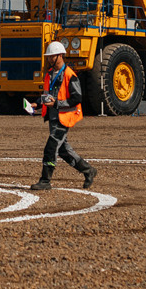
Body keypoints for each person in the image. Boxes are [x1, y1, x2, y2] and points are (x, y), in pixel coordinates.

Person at [27, 40, 98, 191]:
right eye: (49, 56)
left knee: (51, 147)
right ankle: (88, 170)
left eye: (52, 56)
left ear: (60, 56)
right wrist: (37, 104)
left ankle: (45, 180)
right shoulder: (49, 75)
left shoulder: (70, 75)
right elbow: (47, 95)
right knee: (64, 150)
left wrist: (57, 104)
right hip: (53, 117)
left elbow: (77, 98)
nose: (49, 59)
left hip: (63, 118)